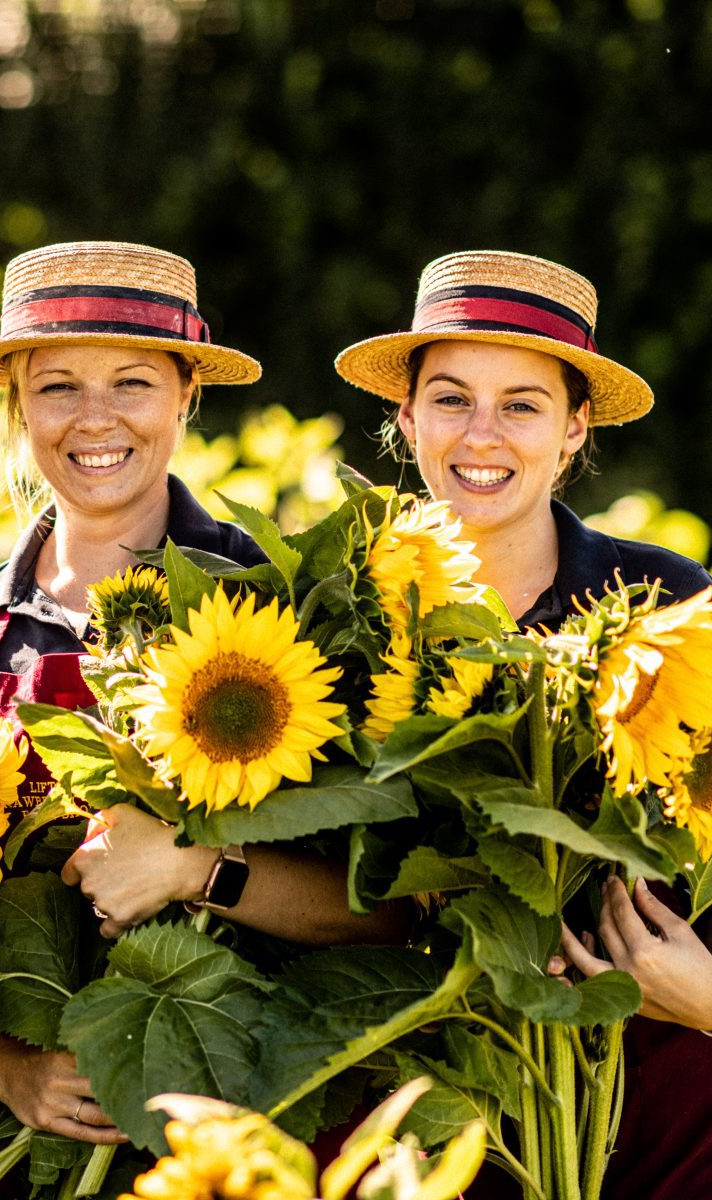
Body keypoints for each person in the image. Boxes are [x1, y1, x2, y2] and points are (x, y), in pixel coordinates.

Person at [0, 241, 401, 1170]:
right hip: (6, 1153)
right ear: (16, 403)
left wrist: (201, 868)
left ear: (185, 396)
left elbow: (389, 915)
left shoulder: (283, 611)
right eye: (55, 387)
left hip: (245, 1147)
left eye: (131, 382)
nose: (94, 419)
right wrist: (5, 1069)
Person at [335, 247, 712, 1200]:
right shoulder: (345, 615)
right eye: (452, 398)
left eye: (524, 404)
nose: (483, 435)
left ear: (575, 428)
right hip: (424, 1110)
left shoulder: (669, 605)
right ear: (406, 415)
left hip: (662, 1103)